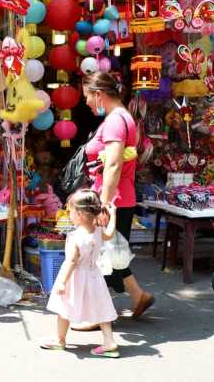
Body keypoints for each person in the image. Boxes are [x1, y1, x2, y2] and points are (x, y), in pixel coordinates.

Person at [81, 72, 154, 321]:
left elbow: (113, 164)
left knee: (99, 257)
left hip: (113, 199)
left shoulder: (115, 121)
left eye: (88, 97)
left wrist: (103, 204)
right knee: (112, 252)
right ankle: (137, 295)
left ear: (99, 94)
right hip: (119, 197)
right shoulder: (123, 117)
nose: (87, 103)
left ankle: (97, 317)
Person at [43, 189, 120, 358]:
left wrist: (62, 281)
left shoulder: (75, 236)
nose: (68, 213)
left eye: (69, 210)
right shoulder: (98, 230)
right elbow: (110, 234)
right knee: (102, 309)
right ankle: (109, 341)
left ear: (79, 214)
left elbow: (71, 262)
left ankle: (59, 339)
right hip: (94, 276)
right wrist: (113, 215)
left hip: (75, 278)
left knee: (65, 309)